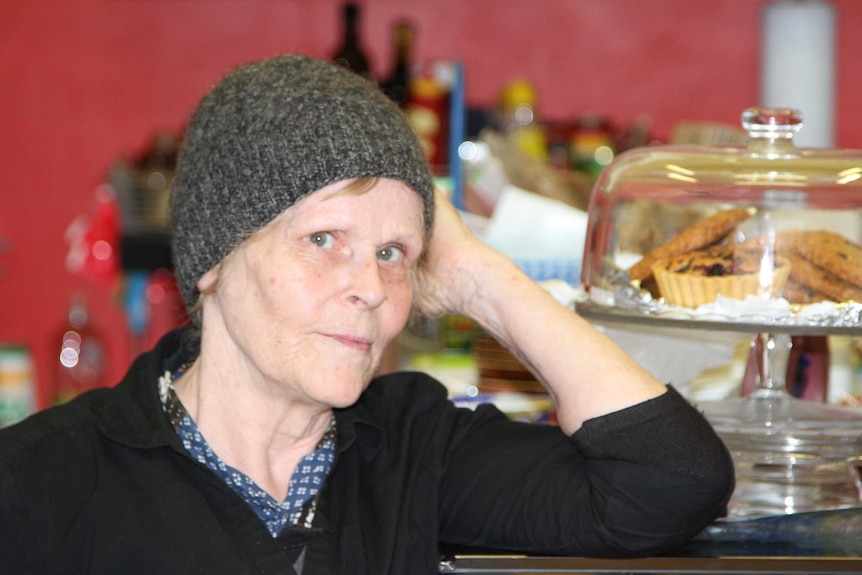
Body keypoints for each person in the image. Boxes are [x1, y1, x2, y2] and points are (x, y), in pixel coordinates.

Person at [0, 55, 734, 574]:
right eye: (324, 239)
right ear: (214, 257)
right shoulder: (43, 482)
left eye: (394, 252)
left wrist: (480, 278)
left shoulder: (412, 447)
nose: (371, 287)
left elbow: (671, 479)